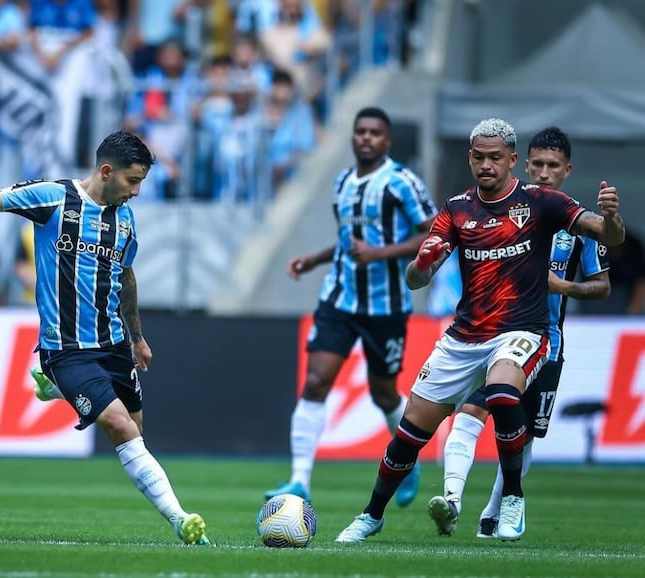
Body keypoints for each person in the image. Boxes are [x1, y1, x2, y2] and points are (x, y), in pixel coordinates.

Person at [0, 130, 211, 546]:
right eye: (133, 181)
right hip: (66, 348)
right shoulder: (52, 198)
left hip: (113, 344)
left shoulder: (124, 218)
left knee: (135, 429)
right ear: (106, 171)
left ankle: (58, 390)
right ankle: (181, 520)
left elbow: (125, 276)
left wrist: (137, 337)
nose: (137, 191)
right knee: (119, 427)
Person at [334, 118, 625, 543]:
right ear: (470, 158)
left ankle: (512, 498)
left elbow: (608, 236)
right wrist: (421, 263)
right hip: (465, 336)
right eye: (479, 157)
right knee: (411, 432)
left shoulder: (542, 203)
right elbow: (418, 280)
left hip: (522, 330)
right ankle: (373, 514)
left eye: (495, 158)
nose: (486, 165)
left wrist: (612, 218)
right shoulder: (456, 209)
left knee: (504, 392)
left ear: (511, 161)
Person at [429, 126, 611, 539]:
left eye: (553, 167)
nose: (545, 173)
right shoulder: (506, 209)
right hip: (495, 337)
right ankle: (452, 501)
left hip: (547, 344)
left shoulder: (576, 221)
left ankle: (494, 514)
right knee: (471, 411)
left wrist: (563, 286)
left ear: (567, 170)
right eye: (539, 165)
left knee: (523, 436)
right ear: (524, 164)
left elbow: (602, 286)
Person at [264, 106, 439, 506]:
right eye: (360, 131)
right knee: (315, 382)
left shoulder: (402, 182)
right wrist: (314, 259)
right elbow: (349, 240)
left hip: (386, 306)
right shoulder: (343, 181)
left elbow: (432, 233)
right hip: (339, 298)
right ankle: (299, 481)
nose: (366, 138)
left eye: (375, 133)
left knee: (383, 394)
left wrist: (380, 253)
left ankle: (406, 462)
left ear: (387, 140)